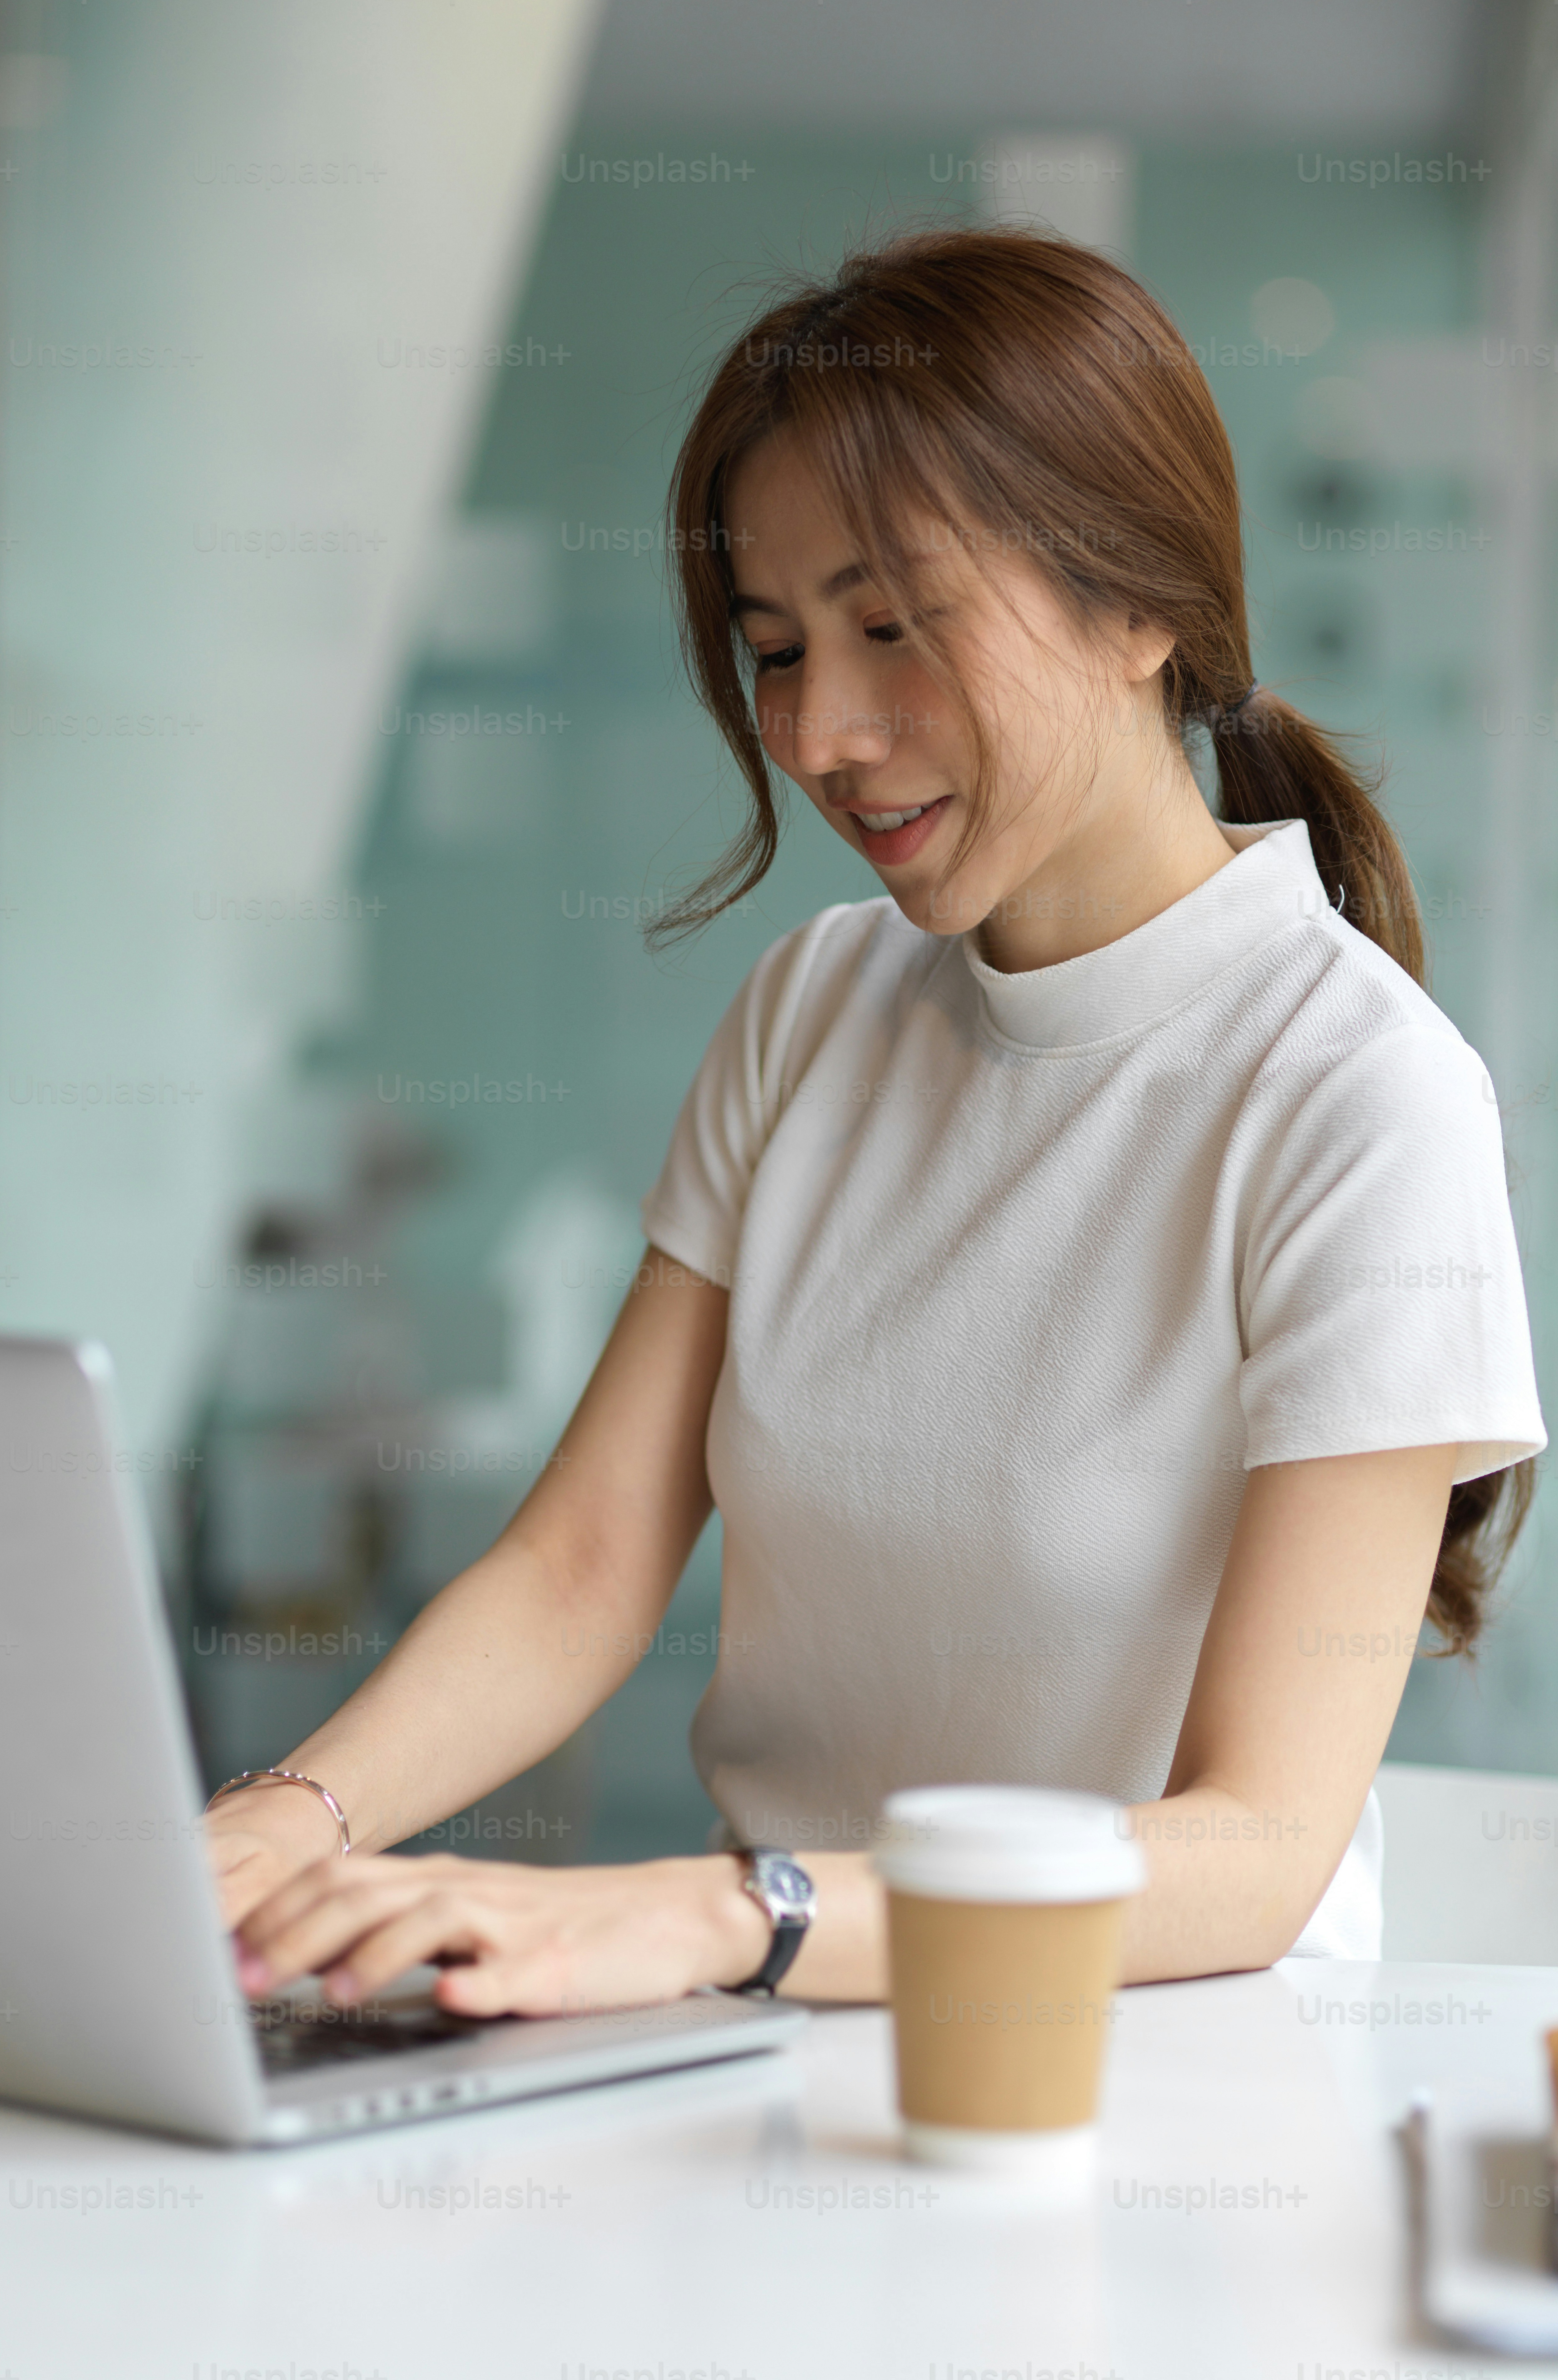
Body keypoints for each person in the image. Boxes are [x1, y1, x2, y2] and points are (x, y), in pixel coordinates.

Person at [207, 226, 1546, 2015]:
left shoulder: (1360, 1098)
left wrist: (722, 1916)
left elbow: (1251, 1849)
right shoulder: (813, 1009)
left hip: (1155, 2083)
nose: (823, 733)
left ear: (1135, 602)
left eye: (891, 627)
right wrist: (290, 1823)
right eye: (773, 649)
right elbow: (581, 1567)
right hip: (776, 2049)